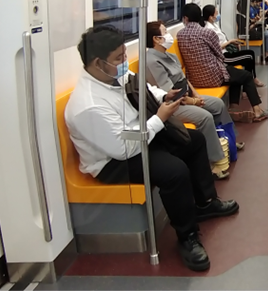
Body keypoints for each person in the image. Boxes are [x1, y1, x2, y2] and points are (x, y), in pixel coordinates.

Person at [64, 25, 239, 271]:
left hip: (140, 136)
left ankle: (204, 202)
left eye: (124, 54)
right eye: (119, 58)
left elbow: (141, 88)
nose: (125, 61)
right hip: (114, 162)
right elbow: (123, 149)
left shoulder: (114, 75)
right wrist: (160, 118)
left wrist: (164, 96)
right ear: (97, 62)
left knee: (194, 140)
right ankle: (187, 236)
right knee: (174, 171)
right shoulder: (88, 105)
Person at [144, 21, 244, 179]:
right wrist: (194, 102)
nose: (168, 35)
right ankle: (214, 162)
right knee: (205, 117)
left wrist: (196, 95)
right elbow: (170, 93)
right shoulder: (152, 61)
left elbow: (183, 79)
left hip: (187, 96)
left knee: (217, 104)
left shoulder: (169, 55)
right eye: (165, 32)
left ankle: (229, 140)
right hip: (172, 105)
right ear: (156, 39)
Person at [176, 3, 268, 122]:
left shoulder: (180, 34)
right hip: (213, 77)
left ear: (185, 18)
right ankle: (257, 111)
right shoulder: (208, 33)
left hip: (194, 79)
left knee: (236, 75)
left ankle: (233, 108)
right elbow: (220, 54)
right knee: (246, 76)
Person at [203, 4, 264, 85]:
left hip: (227, 51)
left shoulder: (214, 25)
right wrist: (230, 42)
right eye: (216, 13)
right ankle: (249, 85)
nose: (218, 15)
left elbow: (222, 39)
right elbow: (216, 47)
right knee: (248, 59)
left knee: (250, 52)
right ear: (210, 17)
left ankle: (253, 78)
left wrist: (232, 43)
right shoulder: (208, 29)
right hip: (223, 56)